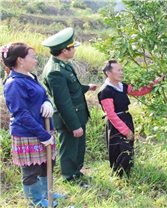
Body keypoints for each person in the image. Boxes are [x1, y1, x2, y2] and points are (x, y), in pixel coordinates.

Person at [1, 42, 63, 207]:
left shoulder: (31, 77)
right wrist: (43, 135)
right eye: (33, 57)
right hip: (28, 133)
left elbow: (42, 94)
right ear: (21, 60)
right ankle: (36, 201)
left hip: (42, 128)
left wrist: (47, 102)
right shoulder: (13, 83)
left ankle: (46, 193)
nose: (36, 61)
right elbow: (20, 114)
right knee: (31, 170)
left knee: (45, 164)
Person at [42, 28, 97, 184]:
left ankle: (77, 173)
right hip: (70, 118)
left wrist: (87, 87)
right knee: (69, 149)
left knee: (78, 148)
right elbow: (63, 102)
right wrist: (74, 125)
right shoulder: (55, 71)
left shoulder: (64, 65)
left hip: (78, 114)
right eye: (72, 47)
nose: (74, 50)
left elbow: (73, 87)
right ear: (64, 50)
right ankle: (69, 177)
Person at [97, 60, 164, 177]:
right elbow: (111, 115)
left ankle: (127, 174)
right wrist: (125, 130)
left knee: (128, 147)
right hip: (116, 123)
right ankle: (119, 176)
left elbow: (139, 91)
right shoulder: (105, 91)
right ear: (108, 73)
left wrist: (155, 83)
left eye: (121, 69)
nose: (121, 72)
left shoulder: (122, 86)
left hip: (126, 117)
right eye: (118, 70)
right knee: (119, 147)